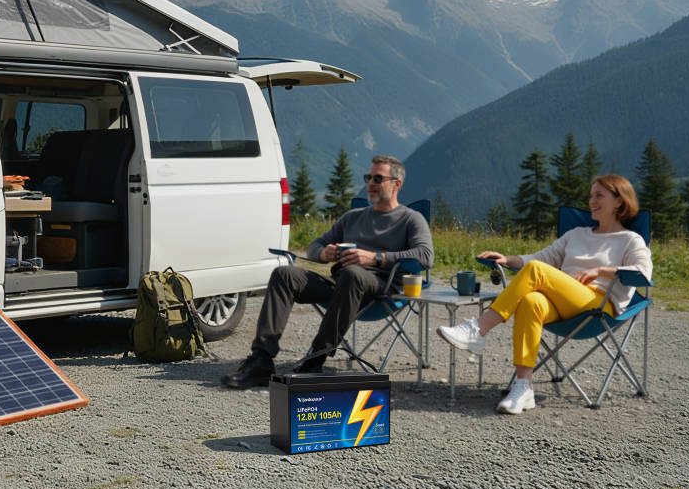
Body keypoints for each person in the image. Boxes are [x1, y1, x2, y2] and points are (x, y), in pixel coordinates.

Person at [437, 174, 652, 414]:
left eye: (599, 196)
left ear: (619, 202)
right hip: (562, 303)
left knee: (536, 272)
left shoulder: (630, 240)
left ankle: (479, 329)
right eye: (591, 196)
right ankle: (523, 388)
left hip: (598, 305)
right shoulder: (577, 234)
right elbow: (541, 258)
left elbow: (643, 273)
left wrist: (601, 271)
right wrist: (507, 259)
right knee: (531, 301)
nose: (592, 201)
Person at [221, 155, 433, 389]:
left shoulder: (411, 219)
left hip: (380, 287)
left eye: (378, 178)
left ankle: (315, 360)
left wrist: (376, 258)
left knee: (353, 274)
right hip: (342, 285)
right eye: (369, 177)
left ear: (397, 184)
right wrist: (325, 254)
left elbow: (425, 256)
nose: (371, 182)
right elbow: (314, 247)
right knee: (285, 274)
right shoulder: (352, 217)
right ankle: (261, 359)